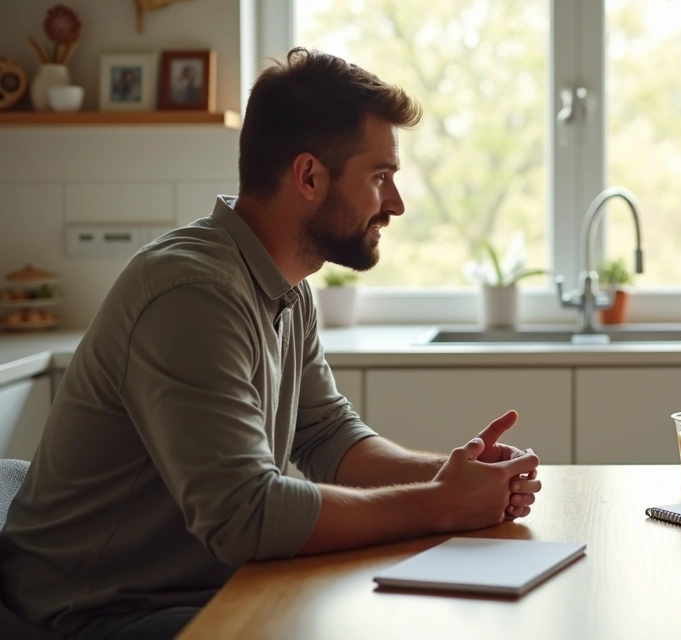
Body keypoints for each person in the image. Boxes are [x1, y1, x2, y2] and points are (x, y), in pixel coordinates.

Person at [0, 47, 542, 639]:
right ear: (309, 176)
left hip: (198, 588)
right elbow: (246, 516)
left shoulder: (284, 284)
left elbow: (327, 436)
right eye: (380, 177)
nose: (396, 204)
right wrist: (440, 504)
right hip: (94, 613)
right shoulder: (192, 294)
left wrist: (456, 473)